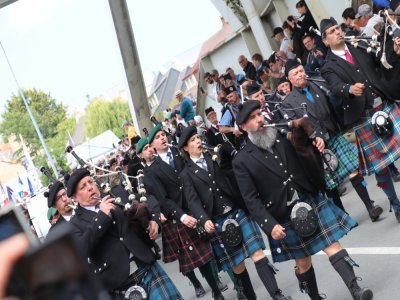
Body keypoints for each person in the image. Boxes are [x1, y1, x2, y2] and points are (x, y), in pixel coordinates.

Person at [232, 100, 373, 300]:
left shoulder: (282, 136)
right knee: (303, 261)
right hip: (283, 214)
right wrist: (269, 225)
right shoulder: (241, 160)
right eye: (252, 118)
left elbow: (305, 151)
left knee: (332, 244)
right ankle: (314, 296)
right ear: (244, 126)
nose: (259, 120)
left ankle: (356, 290)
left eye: (259, 114)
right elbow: (251, 199)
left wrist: (315, 142)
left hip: (309, 199)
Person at [179, 126, 292, 300]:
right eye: (193, 140)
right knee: (237, 264)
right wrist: (203, 220)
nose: (198, 141)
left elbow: (232, 175)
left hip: (236, 210)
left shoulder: (214, 157)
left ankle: (276, 295)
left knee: (257, 252)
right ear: (185, 148)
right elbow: (193, 201)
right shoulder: (186, 174)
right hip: (217, 219)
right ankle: (250, 296)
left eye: (198, 138)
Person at [320, 17, 400, 222]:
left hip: (384, 103)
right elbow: (334, 85)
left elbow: (381, 60)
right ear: (326, 40)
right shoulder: (328, 66)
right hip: (364, 117)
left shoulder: (359, 45)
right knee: (380, 166)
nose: (338, 32)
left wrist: (393, 51)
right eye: (332, 31)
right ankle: (395, 203)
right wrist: (349, 89)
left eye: (338, 28)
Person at [282, 59, 383, 222]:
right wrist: (313, 139)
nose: (300, 75)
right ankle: (344, 218)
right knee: (331, 185)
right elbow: (295, 131)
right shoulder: (287, 103)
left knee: (354, 171)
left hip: (333, 134)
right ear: (290, 79)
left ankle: (370, 206)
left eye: (301, 71)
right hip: (316, 146)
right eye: (296, 73)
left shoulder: (318, 85)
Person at [67, 168, 182, 299]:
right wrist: (102, 216)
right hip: (118, 283)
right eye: (83, 187)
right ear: (75, 197)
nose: (90, 187)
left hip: (145, 265)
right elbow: (82, 250)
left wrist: (153, 220)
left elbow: (146, 199)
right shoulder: (74, 224)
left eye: (90, 182)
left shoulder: (114, 195)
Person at [143, 125, 226, 300]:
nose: (163, 138)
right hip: (181, 213)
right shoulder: (151, 172)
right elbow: (163, 199)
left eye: (163, 134)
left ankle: (219, 284)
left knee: (214, 247)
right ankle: (214, 291)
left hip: (198, 204)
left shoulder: (180, 152)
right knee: (197, 255)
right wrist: (181, 216)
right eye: (158, 137)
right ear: (152, 146)